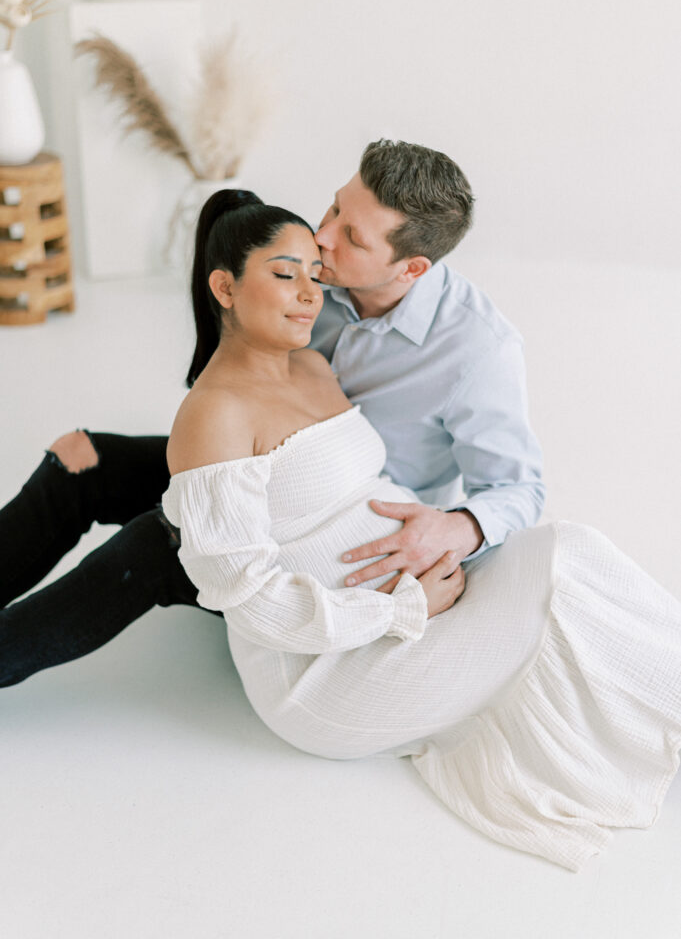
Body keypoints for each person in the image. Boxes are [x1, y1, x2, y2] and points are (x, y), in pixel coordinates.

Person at [161, 189, 681, 872]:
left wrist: (435, 544)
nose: (308, 295)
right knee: (564, 566)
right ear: (224, 285)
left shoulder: (316, 365)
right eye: (284, 274)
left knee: (570, 558)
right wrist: (399, 606)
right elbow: (247, 598)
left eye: (314, 276)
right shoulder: (211, 416)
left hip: (412, 608)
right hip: (325, 675)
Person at [0, 140, 544, 686]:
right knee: (81, 458)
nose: (324, 235)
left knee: (159, 541)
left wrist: (458, 527)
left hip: (328, 531)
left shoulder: (479, 350)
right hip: (266, 468)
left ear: (410, 268)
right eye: (334, 208)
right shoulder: (313, 275)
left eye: (351, 236)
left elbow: (520, 489)